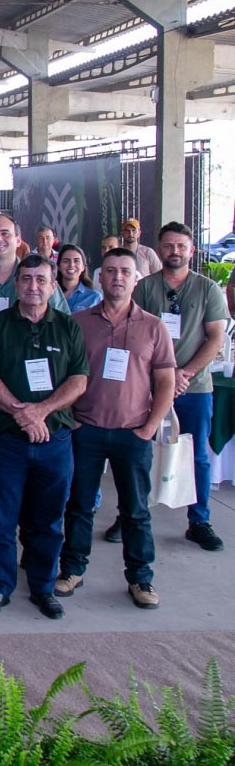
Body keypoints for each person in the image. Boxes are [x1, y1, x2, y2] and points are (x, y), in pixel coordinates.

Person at [56, 248, 175, 610]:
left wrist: (150, 426)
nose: (118, 277)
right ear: (101, 278)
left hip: (133, 432)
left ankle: (141, 577)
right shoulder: (78, 323)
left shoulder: (154, 326)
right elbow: (64, 375)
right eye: (110, 271)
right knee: (78, 506)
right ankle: (72, 569)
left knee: (135, 510)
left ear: (137, 279)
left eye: (125, 271)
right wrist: (71, 419)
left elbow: (166, 381)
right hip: (86, 430)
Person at [0, 254, 88, 620]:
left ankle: (42, 586)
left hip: (53, 440)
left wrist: (42, 411)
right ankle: (1, 586)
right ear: (16, 284)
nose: (33, 287)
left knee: (48, 520)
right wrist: (22, 413)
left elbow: (79, 380)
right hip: (6, 440)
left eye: (41, 280)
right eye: (26, 280)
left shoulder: (68, 328)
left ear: (52, 286)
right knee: (1, 519)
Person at [132, 222, 228, 552]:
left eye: (181, 246)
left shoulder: (208, 289)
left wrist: (183, 373)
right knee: (139, 450)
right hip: (148, 386)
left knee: (196, 454)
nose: (175, 251)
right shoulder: (144, 288)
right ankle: (131, 513)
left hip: (194, 386)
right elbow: (135, 334)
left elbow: (215, 338)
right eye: (169, 245)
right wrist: (164, 376)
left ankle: (199, 520)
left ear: (192, 250)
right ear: (159, 249)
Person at [56, 244, 100, 313]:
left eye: (76, 261)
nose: (71, 265)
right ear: (58, 266)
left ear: (83, 267)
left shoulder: (95, 297)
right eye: (66, 261)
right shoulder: (50, 293)